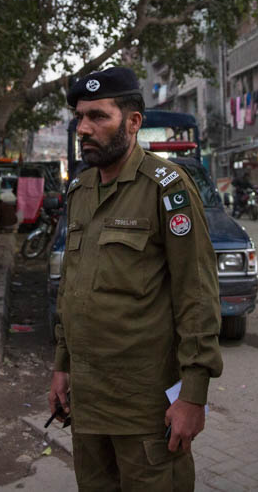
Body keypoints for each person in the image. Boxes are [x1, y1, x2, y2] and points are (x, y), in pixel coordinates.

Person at [49, 66, 223, 491]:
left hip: (145, 410)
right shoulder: (81, 190)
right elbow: (73, 288)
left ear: (133, 122)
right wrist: (61, 367)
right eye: (80, 117)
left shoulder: (168, 188)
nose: (84, 128)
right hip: (88, 406)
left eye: (98, 117)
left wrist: (193, 396)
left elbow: (196, 295)